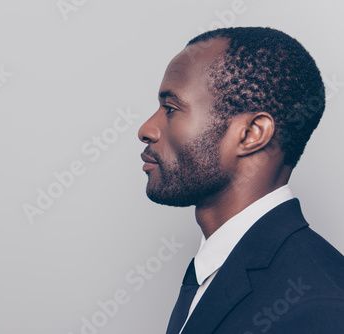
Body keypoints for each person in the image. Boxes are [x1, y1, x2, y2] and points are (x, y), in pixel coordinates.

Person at [138, 27, 344, 334]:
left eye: (171, 109)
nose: (147, 129)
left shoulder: (320, 306)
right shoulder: (215, 267)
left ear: (250, 135)